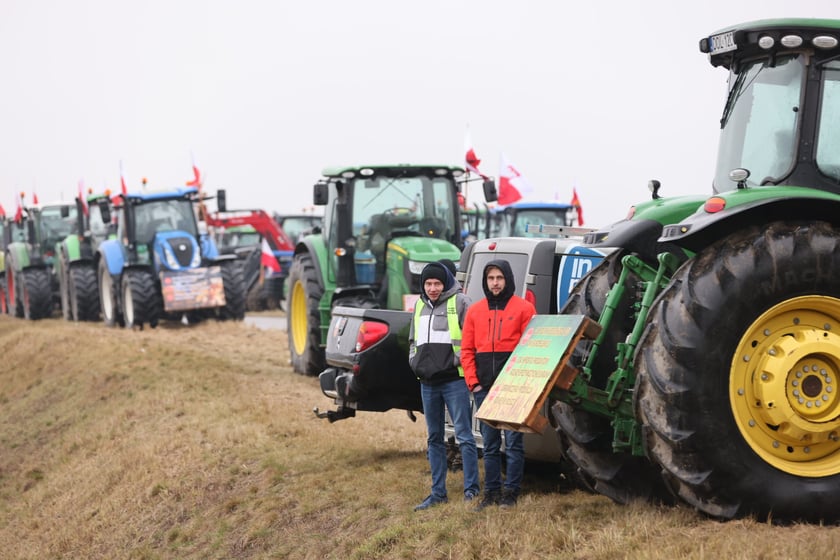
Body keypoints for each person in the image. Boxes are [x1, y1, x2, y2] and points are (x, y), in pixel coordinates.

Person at [461, 259, 537, 510]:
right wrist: (474, 384)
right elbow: (467, 351)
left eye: (499, 278)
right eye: (490, 278)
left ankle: (511, 493)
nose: (495, 283)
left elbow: (529, 350)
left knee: (514, 443)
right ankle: (491, 492)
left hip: (511, 389)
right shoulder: (475, 311)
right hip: (484, 389)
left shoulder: (524, 309)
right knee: (490, 443)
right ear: (486, 281)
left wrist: (520, 385)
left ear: (508, 279)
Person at [409, 261, 479, 510]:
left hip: (454, 381)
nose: (433, 288)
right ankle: (437, 493)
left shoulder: (460, 302)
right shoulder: (419, 306)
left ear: (446, 282)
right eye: (428, 283)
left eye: (437, 283)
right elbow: (413, 340)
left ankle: (472, 490)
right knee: (434, 438)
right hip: (427, 384)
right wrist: (414, 363)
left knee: (464, 436)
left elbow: (473, 339)